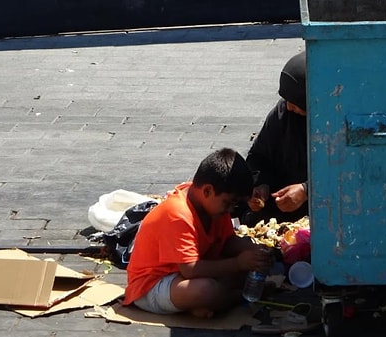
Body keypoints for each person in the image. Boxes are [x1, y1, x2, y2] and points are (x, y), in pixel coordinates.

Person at [123, 148, 273, 318]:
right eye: (228, 203)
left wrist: (252, 250)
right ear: (207, 191)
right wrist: (238, 263)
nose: (230, 210)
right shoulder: (178, 213)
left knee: (244, 270)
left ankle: (208, 303)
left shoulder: (214, 207)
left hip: (188, 274)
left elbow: (227, 242)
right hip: (152, 285)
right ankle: (230, 299)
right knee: (205, 290)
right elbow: (190, 270)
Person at [242, 51, 309, 226]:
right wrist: (262, 184)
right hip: (280, 207)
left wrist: (306, 190)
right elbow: (259, 156)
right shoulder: (283, 113)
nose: (288, 107)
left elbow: (349, 173)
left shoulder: (336, 121)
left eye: (295, 103)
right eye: (286, 100)